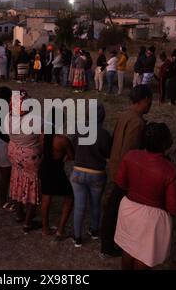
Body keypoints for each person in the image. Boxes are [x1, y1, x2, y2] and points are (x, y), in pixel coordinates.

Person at [115, 122, 176, 270]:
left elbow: (121, 182)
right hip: (153, 218)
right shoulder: (171, 170)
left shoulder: (130, 156)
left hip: (129, 209)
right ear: (167, 143)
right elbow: (174, 208)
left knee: (128, 248)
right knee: (145, 255)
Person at [101, 85, 153, 257]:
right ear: (145, 100)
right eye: (150, 101)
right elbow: (131, 152)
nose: (150, 104)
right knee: (116, 209)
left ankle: (108, 242)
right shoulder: (138, 122)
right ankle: (109, 245)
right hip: (124, 172)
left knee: (113, 207)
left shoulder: (124, 114)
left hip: (115, 166)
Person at [71, 103, 112, 247]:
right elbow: (108, 154)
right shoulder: (105, 134)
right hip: (97, 173)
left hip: (78, 171)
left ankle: (77, 238)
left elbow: (73, 146)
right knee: (95, 204)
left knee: (79, 206)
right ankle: (94, 231)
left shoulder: (78, 129)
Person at [8, 90, 43, 234]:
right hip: (30, 157)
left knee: (17, 180)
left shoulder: (8, 117)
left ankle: (19, 214)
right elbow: (43, 138)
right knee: (32, 184)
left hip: (14, 154)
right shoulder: (34, 119)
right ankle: (28, 223)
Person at [39, 109, 75, 238]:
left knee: (46, 196)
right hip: (56, 170)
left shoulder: (42, 135)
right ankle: (60, 229)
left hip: (44, 168)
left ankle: (45, 228)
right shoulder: (62, 140)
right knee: (70, 196)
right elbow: (71, 156)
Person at [0, 87, 13, 209]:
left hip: (0, 144)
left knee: (7, 176)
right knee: (6, 176)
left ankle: (6, 198)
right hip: (4, 146)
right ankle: (3, 200)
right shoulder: (4, 109)